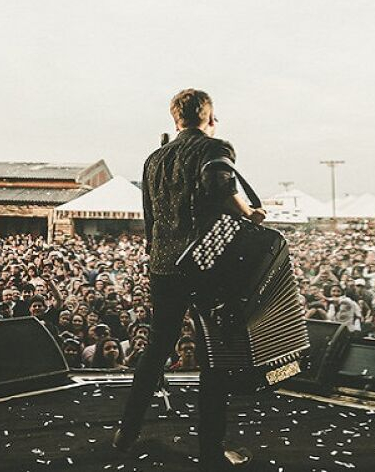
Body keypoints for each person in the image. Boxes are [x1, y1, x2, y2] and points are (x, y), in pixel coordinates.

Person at [114, 88, 266, 471]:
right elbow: (222, 187)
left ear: (175, 119)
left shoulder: (154, 159)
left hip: (164, 264)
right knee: (214, 355)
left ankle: (126, 431)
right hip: (206, 265)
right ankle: (212, 450)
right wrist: (250, 213)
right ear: (208, 116)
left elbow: (150, 214)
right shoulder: (215, 147)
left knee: (158, 347)